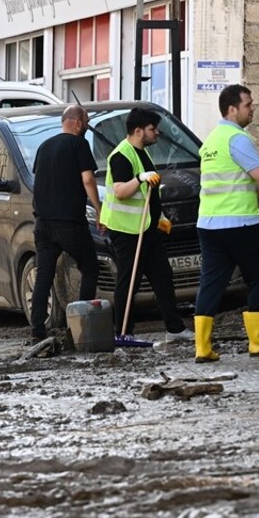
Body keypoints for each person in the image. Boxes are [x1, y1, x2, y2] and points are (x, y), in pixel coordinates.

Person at [192, 84, 259, 363]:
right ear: (232, 109)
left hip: (209, 224)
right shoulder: (238, 138)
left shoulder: (211, 140)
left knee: (211, 283)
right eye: (248, 105)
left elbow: (238, 178)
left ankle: (202, 347)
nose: (253, 110)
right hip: (241, 222)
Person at [100, 106, 192, 343]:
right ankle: (123, 332)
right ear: (139, 131)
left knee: (162, 276)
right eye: (153, 129)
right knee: (129, 280)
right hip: (127, 230)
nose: (157, 133)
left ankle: (174, 328)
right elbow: (121, 191)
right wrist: (139, 178)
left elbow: (148, 193)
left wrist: (159, 216)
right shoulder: (122, 155)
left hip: (146, 228)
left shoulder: (143, 153)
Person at [28, 104, 101, 342]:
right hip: (70, 222)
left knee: (43, 276)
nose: (87, 127)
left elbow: (41, 180)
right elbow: (88, 179)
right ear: (78, 122)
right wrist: (99, 211)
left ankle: (38, 329)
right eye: (86, 122)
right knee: (89, 268)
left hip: (42, 223)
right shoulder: (79, 145)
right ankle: (78, 329)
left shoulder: (44, 146)